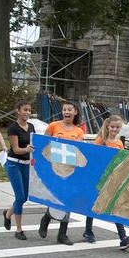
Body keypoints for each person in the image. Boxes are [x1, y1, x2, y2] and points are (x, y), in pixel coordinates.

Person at [84, 115, 129, 250]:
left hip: (113, 177)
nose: (115, 129)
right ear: (108, 126)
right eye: (112, 126)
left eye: (117, 127)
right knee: (94, 204)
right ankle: (88, 231)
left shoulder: (119, 143)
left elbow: (121, 160)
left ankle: (123, 237)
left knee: (113, 205)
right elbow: (94, 156)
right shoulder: (101, 140)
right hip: (99, 176)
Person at [38, 101, 85, 246]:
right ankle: (46, 218)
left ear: (75, 112)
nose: (67, 112)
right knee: (55, 197)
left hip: (70, 170)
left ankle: (62, 234)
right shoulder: (53, 126)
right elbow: (43, 144)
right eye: (64, 109)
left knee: (67, 201)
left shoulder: (79, 131)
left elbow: (79, 151)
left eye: (70, 109)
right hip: (54, 169)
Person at [2, 100, 35, 240]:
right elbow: (16, 149)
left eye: (29, 110)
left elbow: (34, 144)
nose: (27, 113)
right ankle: (19, 229)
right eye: (24, 110)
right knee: (20, 197)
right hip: (14, 164)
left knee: (24, 197)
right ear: (18, 111)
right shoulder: (13, 128)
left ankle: (8, 214)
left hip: (26, 164)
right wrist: (27, 149)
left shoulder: (32, 127)